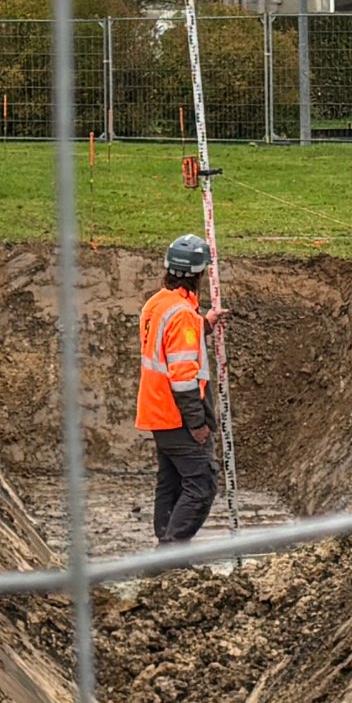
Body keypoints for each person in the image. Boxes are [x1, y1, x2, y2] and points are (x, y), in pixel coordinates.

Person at [138, 234, 219, 546]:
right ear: (198, 274)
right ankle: (170, 553)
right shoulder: (183, 313)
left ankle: (165, 546)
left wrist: (203, 325)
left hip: (157, 410)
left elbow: (168, 344)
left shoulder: (157, 303)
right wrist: (197, 423)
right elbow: (183, 376)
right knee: (202, 484)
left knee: (171, 482)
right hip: (177, 414)